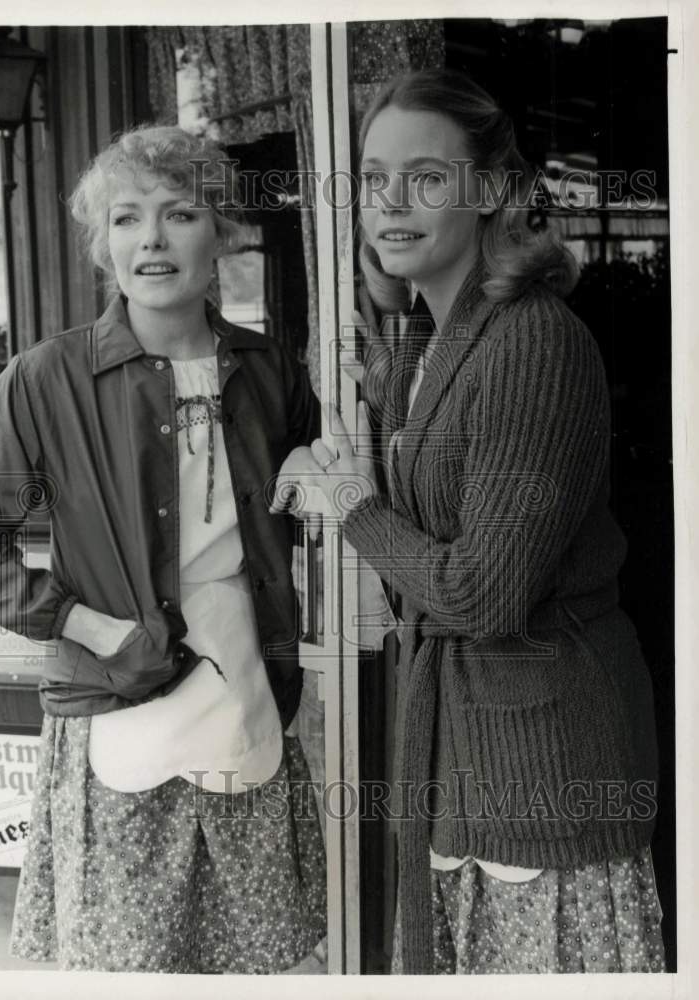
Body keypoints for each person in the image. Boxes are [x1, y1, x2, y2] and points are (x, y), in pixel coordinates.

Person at [271, 69, 664, 975]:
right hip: (462, 741)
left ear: (489, 190)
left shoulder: (532, 337)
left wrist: (354, 506)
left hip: (543, 757)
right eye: (373, 179)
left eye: (425, 177)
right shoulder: (441, 337)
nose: (390, 203)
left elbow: (483, 592)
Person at [0, 125, 327, 974]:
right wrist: (89, 626)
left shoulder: (268, 371)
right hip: (121, 703)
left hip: (247, 692)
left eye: (179, 213)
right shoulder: (45, 379)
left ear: (220, 233)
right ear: (101, 243)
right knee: (130, 968)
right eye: (125, 218)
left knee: (248, 963)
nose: (150, 238)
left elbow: (298, 507)